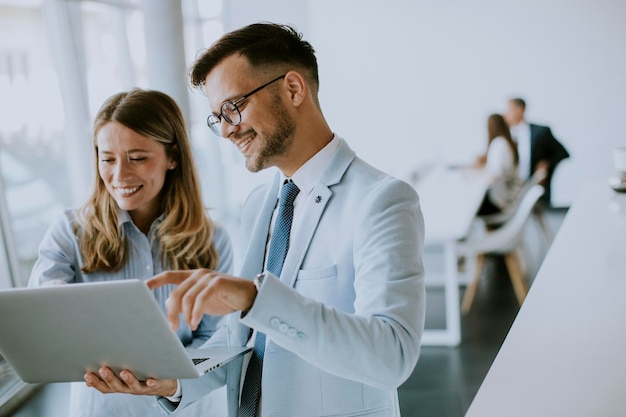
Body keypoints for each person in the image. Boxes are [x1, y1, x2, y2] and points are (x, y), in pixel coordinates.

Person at [84, 22, 426, 417]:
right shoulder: (261, 204)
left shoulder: (382, 200)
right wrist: (175, 378)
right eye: (218, 118)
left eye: (234, 107)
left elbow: (391, 357)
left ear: (293, 89)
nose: (227, 131)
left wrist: (255, 298)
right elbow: (245, 340)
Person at [28, 88, 233, 417]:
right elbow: (42, 314)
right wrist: (60, 308)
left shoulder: (212, 240)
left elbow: (218, 340)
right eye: (107, 159)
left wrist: (170, 380)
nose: (119, 175)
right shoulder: (70, 231)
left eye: (138, 158)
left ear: (172, 156)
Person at [504, 97, 569, 206]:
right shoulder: (505, 135)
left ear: (520, 110)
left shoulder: (540, 132)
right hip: (511, 190)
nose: (505, 114)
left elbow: (562, 153)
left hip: (533, 186)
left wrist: (546, 163)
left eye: (509, 110)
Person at [475, 113, 523, 216]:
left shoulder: (499, 144)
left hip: (500, 201)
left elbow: (495, 175)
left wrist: (474, 175)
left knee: (469, 203)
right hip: (507, 197)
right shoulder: (507, 143)